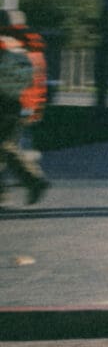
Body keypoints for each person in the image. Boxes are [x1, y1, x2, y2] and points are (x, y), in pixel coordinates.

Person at [0, 10, 49, 206]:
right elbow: (39, 81)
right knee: (5, 147)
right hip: (24, 104)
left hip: (6, 101)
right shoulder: (32, 46)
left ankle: (34, 181)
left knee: (5, 147)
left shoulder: (5, 44)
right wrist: (35, 108)